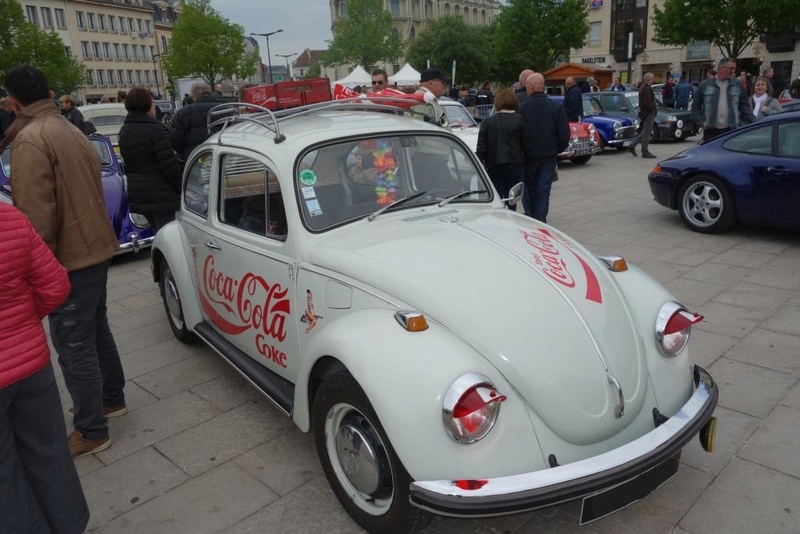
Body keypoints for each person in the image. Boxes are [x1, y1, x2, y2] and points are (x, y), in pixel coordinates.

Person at [3, 64, 125, 458]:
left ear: (13, 101)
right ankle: (110, 399)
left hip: (70, 257)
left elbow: (37, 218)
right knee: (95, 330)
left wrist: (34, 272)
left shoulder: (30, 140)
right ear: (49, 92)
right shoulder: (70, 128)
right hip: (95, 246)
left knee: (74, 344)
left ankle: (91, 429)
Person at [0, 202, 91, 534]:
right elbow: (55, 285)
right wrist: (22, 326)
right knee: (50, 449)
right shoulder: (9, 217)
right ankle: (70, 526)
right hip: (31, 366)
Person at [119, 88, 182, 233]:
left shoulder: (125, 130)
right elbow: (168, 165)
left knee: (156, 231)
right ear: (146, 106)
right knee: (167, 234)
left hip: (139, 191)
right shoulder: (155, 130)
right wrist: (180, 188)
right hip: (161, 192)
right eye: (152, 103)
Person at [518, 73, 569, 222]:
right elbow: (564, 133)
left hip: (528, 156)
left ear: (532, 87)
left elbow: (518, 134)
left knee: (529, 189)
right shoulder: (556, 107)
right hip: (548, 156)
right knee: (543, 190)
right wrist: (557, 149)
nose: (526, 89)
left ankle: (532, 217)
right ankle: (540, 220)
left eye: (527, 86)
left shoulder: (522, 108)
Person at [475, 88, 531, 212]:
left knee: (498, 197)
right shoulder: (520, 120)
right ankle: (511, 215)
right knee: (513, 199)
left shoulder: (487, 122)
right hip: (516, 164)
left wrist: (479, 164)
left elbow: (481, 147)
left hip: (494, 164)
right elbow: (527, 145)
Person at [692, 58, 755, 142]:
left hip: (731, 129)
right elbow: (695, 106)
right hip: (710, 129)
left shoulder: (736, 84)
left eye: (734, 69)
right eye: (731, 68)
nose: (733, 71)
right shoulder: (705, 85)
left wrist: (756, 122)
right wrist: (701, 123)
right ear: (721, 68)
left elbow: (745, 107)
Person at [169, 82, 219, 165]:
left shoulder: (184, 113)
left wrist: (185, 152)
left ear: (193, 96)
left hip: (194, 159)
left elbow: (174, 139)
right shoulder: (224, 109)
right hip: (221, 156)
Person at [627, 72, 658, 159]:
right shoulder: (646, 89)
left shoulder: (644, 88)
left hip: (645, 112)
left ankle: (632, 145)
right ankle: (644, 151)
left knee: (645, 131)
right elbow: (647, 103)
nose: (653, 80)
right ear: (649, 79)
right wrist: (653, 109)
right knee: (647, 132)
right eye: (652, 78)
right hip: (648, 113)